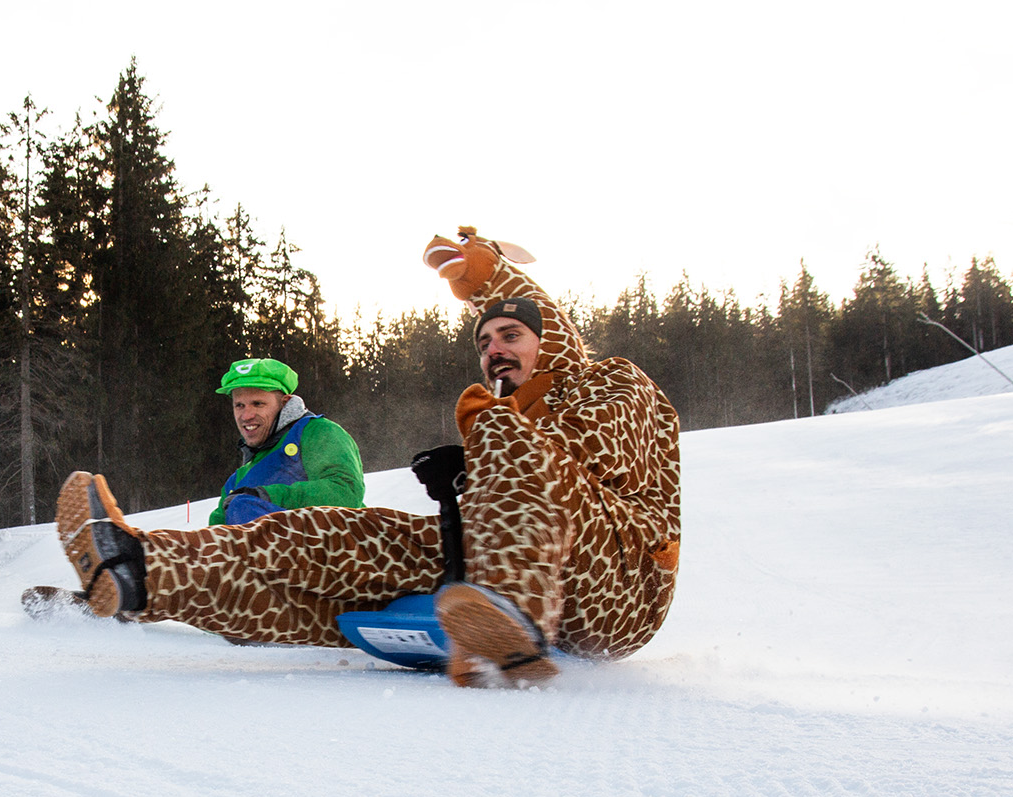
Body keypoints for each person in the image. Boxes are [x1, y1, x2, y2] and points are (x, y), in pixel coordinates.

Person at [51, 234, 680, 688]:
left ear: (553, 343)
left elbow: (590, 463)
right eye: (484, 342)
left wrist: (495, 432)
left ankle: (506, 633)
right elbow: (525, 485)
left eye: (511, 336)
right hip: (517, 576)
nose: (493, 352)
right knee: (344, 541)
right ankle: (139, 571)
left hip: (620, 586)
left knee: (502, 430)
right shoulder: (511, 421)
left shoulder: (612, 384)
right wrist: (472, 481)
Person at [209, 357, 365, 526]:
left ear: (285, 403)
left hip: (336, 549)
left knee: (242, 506)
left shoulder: (316, 433)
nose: (246, 416)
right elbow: (214, 541)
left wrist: (269, 497)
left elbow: (346, 492)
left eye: (258, 404)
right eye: (239, 405)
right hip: (264, 552)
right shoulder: (236, 482)